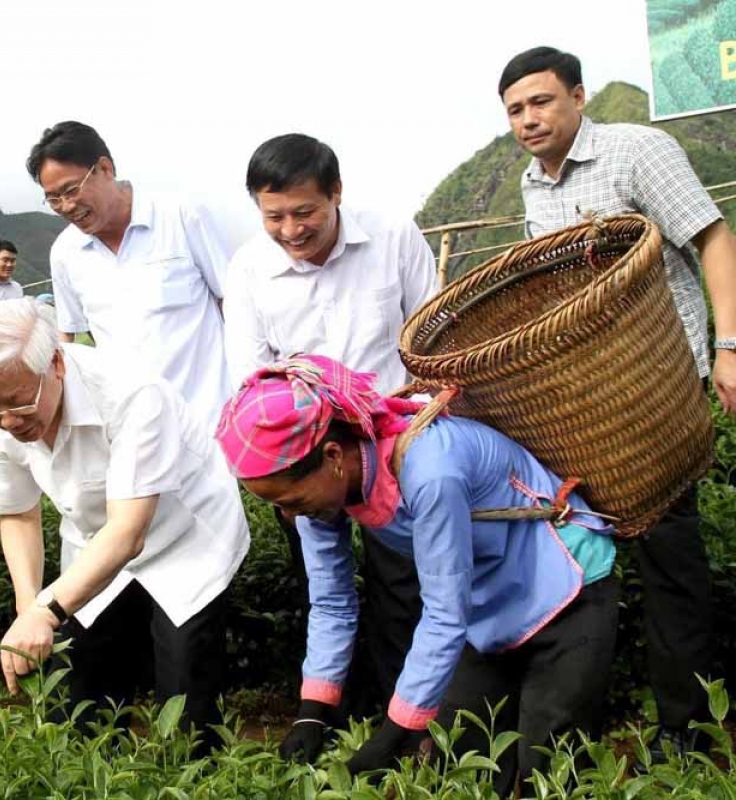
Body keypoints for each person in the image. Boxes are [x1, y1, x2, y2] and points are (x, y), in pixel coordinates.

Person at [216, 355, 618, 794]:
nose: (289, 517)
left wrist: (392, 734)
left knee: (548, 766)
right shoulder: (320, 495)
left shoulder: (429, 468)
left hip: (564, 592)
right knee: (466, 763)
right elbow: (331, 600)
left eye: (290, 501)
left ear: (333, 455)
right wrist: (313, 709)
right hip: (486, 613)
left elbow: (445, 611)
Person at [499, 46, 736, 757]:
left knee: (668, 547)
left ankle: (686, 728)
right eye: (515, 109)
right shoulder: (531, 184)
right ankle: (590, 709)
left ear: (577, 96)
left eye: (541, 101)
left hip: (662, 381)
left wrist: (730, 347)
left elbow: (712, 237)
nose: (529, 119)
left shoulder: (637, 150)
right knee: (595, 544)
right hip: (595, 400)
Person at [0, 297, 250, 744]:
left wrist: (47, 612)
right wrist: (28, 607)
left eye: (18, 403)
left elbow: (129, 530)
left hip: (187, 536)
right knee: (81, 695)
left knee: (186, 694)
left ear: (55, 362)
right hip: (94, 539)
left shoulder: (131, 392)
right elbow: (17, 512)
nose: (8, 421)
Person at [223, 133, 440, 719]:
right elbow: (250, 376)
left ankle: (410, 717)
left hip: (395, 451)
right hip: (306, 460)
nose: (291, 229)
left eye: (305, 213)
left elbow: (431, 343)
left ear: (337, 194)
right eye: (275, 216)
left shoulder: (392, 237)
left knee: (407, 586)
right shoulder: (248, 269)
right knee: (323, 587)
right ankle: (334, 712)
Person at [26, 121, 231, 428]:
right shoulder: (65, 252)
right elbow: (74, 339)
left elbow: (231, 303)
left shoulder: (180, 216)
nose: (67, 206)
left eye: (71, 190)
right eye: (53, 198)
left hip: (208, 421)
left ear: (105, 168)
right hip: (130, 427)